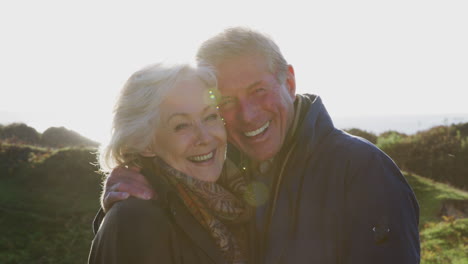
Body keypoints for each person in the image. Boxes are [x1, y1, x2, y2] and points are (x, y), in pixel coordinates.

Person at [98, 27, 420, 263]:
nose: (247, 116)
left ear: (289, 82)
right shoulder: (217, 177)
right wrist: (121, 208)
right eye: (226, 102)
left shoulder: (361, 170)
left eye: (258, 91)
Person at [89, 63, 253, 264]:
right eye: (181, 125)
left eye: (210, 117)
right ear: (145, 143)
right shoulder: (136, 220)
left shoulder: (239, 194)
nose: (205, 137)